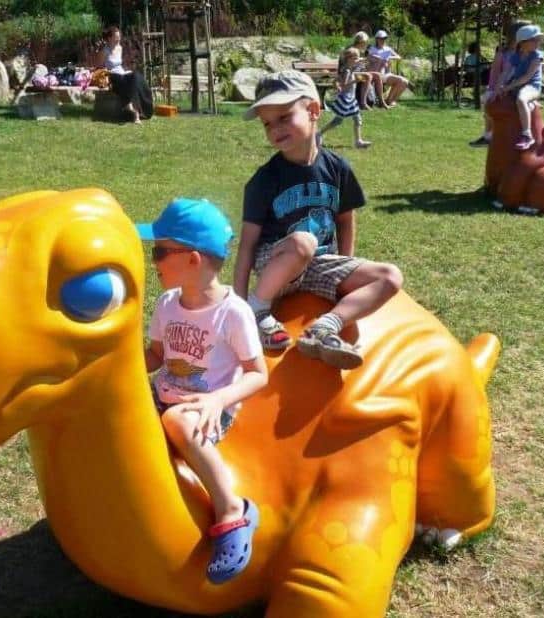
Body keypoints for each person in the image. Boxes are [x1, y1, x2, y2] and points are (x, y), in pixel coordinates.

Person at [137, 197, 267, 584]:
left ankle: (232, 510)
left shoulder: (233, 312)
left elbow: (258, 373)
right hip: (165, 394)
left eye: (160, 252)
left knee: (177, 420)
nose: (153, 260)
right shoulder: (166, 304)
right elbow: (156, 355)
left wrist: (218, 399)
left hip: (208, 407)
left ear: (193, 260)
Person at [236, 70, 403, 370]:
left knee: (390, 276)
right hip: (276, 264)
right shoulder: (264, 180)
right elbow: (247, 246)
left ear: (313, 110)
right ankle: (258, 311)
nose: (274, 129)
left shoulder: (337, 167)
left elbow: (345, 219)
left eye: (284, 117)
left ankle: (324, 328)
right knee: (303, 242)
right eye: (267, 124)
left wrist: (346, 265)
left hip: (319, 264)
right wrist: (238, 306)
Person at [469, 21, 527, 147]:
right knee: (489, 108)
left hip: (518, 90)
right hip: (500, 88)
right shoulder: (503, 54)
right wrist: (492, 89)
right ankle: (488, 135)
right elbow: (495, 73)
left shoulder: (527, 54)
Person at [496, 24, 544, 150]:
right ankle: (489, 134)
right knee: (490, 98)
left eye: (538, 39)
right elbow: (505, 72)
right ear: (523, 42)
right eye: (534, 40)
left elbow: (527, 77)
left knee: (522, 99)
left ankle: (527, 135)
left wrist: (507, 87)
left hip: (532, 87)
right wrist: (499, 87)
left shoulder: (537, 56)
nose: (538, 42)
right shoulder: (516, 55)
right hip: (517, 85)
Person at [97, 25, 153, 123]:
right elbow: (99, 67)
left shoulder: (120, 48)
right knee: (131, 80)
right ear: (109, 38)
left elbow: (120, 65)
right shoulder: (104, 51)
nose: (118, 39)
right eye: (116, 37)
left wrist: (126, 71)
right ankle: (136, 114)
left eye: (119, 37)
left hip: (121, 73)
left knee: (137, 77)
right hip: (112, 75)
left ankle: (142, 108)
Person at [320, 47, 372, 148]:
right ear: (349, 59)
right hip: (345, 99)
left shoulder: (348, 68)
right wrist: (356, 81)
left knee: (357, 118)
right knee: (338, 121)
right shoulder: (347, 70)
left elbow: (338, 79)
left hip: (350, 98)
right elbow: (344, 84)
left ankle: (358, 141)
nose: (358, 60)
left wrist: (363, 60)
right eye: (355, 58)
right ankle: (319, 134)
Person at [367, 30, 409, 107]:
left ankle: (390, 100)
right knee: (380, 75)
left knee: (404, 82)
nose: (382, 40)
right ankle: (386, 101)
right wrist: (377, 59)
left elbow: (398, 57)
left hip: (386, 74)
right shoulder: (372, 49)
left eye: (384, 38)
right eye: (380, 38)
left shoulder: (388, 49)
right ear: (377, 39)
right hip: (375, 73)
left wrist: (389, 57)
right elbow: (368, 58)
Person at [349, 31, 388, 110]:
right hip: (350, 75)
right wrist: (361, 61)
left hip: (358, 73)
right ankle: (363, 103)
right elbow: (349, 65)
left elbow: (363, 63)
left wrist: (369, 60)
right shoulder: (352, 50)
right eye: (365, 43)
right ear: (361, 42)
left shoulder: (361, 51)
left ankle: (381, 101)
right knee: (367, 76)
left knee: (377, 75)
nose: (366, 45)